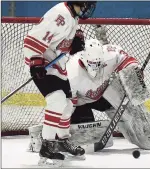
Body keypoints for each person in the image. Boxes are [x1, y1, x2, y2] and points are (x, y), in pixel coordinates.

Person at [23, 1, 97, 166]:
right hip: (43, 63)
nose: (87, 9)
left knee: (68, 104)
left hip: (57, 66)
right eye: (85, 5)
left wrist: (77, 38)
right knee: (56, 100)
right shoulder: (60, 15)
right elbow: (31, 39)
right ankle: (47, 147)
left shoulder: (72, 14)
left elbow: (71, 31)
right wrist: (36, 62)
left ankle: (62, 141)